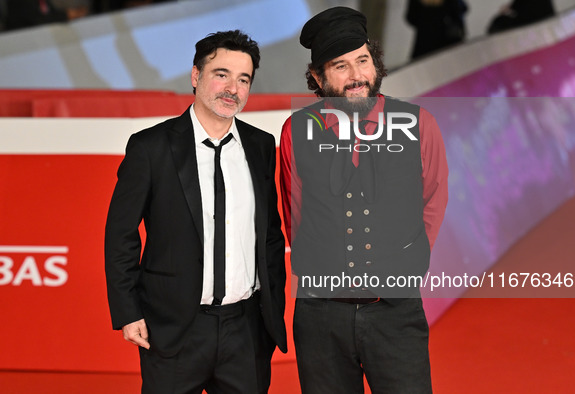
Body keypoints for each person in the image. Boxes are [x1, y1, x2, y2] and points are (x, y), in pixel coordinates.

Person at [105, 29, 287, 393]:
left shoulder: (261, 145)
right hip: (174, 329)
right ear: (195, 76)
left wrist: (271, 310)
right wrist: (128, 312)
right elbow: (120, 234)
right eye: (222, 74)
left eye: (243, 79)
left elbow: (269, 234)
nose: (232, 88)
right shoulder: (150, 147)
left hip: (246, 330)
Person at [279, 7, 448, 393]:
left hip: (394, 311)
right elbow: (295, 213)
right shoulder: (296, 131)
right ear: (318, 77)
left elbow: (434, 200)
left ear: (376, 64)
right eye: (341, 66)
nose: (357, 76)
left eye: (363, 61)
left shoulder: (419, 125)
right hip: (320, 313)